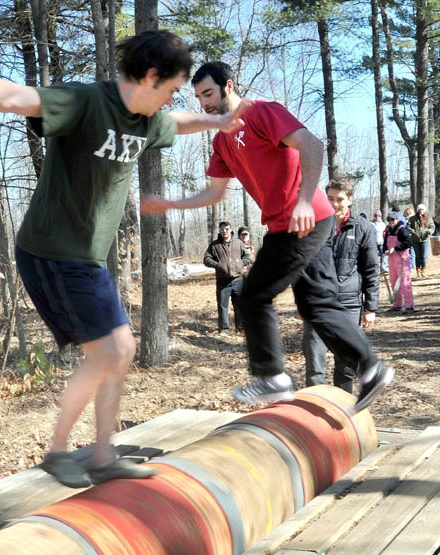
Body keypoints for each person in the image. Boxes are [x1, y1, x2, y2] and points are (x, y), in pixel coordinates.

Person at [0, 19, 250, 487]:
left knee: (117, 353)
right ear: (149, 77)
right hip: (50, 249)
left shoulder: (146, 118)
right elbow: (16, 96)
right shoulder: (85, 101)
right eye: (173, 88)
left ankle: (103, 454)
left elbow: (178, 123)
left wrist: (218, 121)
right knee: (115, 349)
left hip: (86, 258)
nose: (173, 99)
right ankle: (59, 451)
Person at [141, 61, 393, 412]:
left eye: (209, 94)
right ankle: (372, 367)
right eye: (199, 98)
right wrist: (170, 202)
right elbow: (212, 194)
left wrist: (304, 200)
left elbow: (312, 145)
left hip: (302, 219)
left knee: (253, 296)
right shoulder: (222, 140)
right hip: (293, 224)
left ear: (229, 86)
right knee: (316, 304)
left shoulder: (261, 112)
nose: (204, 104)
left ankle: (271, 377)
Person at [302, 178, 379, 393]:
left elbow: (371, 269)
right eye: (330, 199)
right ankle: (315, 412)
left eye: (340, 199)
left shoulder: (363, 227)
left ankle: (342, 409)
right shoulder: (313, 225)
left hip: (348, 305)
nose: (335, 204)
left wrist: (370, 308)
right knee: (314, 364)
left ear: (350, 199)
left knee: (346, 364)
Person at [204, 221, 252, 334]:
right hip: (222, 281)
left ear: (231, 230)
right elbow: (206, 259)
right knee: (222, 306)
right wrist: (218, 265)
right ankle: (224, 329)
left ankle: (240, 328)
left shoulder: (238, 243)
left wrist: (240, 263)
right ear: (219, 232)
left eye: (226, 229)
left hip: (237, 280)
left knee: (239, 305)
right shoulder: (214, 245)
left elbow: (247, 256)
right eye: (222, 230)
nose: (224, 231)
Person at [383, 212, 414, 312]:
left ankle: (409, 306)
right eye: (389, 219)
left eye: (393, 219)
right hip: (391, 260)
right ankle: (397, 304)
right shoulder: (388, 231)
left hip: (402, 260)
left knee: (405, 282)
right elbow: (385, 244)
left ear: (397, 219)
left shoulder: (402, 230)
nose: (391, 222)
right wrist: (385, 250)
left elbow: (409, 242)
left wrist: (396, 248)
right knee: (394, 282)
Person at [408, 204, 435, 278]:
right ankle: (418, 270)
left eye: (422, 209)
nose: (421, 211)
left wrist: (429, 231)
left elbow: (432, 226)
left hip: (424, 239)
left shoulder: (428, 218)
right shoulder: (412, 218)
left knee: (423, 256)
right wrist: (413, 232)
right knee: (417, 256)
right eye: (419, 209)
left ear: (425, 210)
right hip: (415, 240)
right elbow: (408, 226)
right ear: (417, 210)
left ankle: (423, 270)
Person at [372, 209, 387, 274]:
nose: (377, 217)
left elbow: (385, 233)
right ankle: (375, 269)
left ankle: (384, 268)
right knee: (374, 256)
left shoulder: (383, 224)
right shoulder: (371, 224)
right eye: (375, 215)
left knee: (384, 255)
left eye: (379, 216)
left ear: (381, 216)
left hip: (382, 242)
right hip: (374, 243)